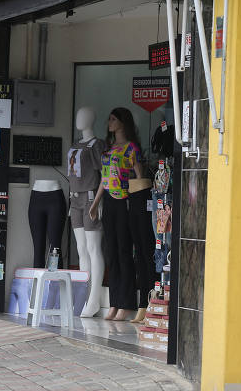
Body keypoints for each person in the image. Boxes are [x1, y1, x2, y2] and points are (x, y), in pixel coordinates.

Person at [89, 108, 143, 321]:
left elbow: (139, 176)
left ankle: (126, 303)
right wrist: (95, 203)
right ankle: (115, 302)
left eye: (113, 119)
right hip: (109, 202)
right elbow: (104, 178)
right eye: (109, 119)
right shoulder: (109, 150)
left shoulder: (131, 149)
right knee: (111, 251)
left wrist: (137, 203)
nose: (109, 122)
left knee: (123, 251)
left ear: (123, 122)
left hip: (125, 201)